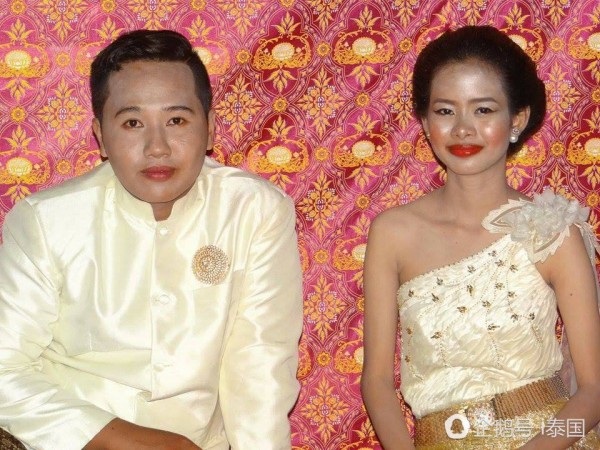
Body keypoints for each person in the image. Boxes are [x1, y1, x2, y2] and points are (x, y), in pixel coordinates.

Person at [0, 29, 303, 450]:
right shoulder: (46, 220)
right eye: (132, 123)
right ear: (101, 136)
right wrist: (133, 441)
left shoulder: (255, 210)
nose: (157, 147)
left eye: (176, 120)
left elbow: (260, 364)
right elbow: (5, 370)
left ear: (211, 129)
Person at [361, 25, 600, 449]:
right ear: (425, 122)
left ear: (517, 119)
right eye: (445, 111)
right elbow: (377, 383)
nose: (463, 129)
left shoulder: (552, 230)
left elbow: (594, 393)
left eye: (483, 110)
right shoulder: (393, 233)